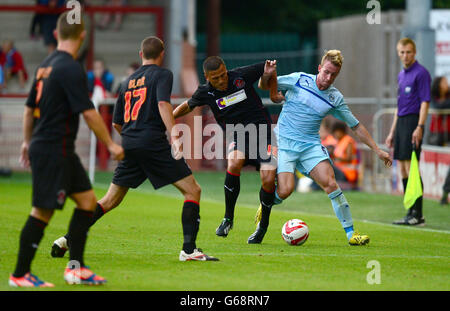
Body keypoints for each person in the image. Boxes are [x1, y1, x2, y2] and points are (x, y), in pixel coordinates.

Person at [50, 36, 219, 262]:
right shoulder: (162, 74)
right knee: (193, 191)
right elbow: (162, 104)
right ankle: (189, 250)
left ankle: (67, 239)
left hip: (129, 143)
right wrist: (175, 135)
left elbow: (117, 123)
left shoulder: (126, 82)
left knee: (109, 200)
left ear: (141, 55)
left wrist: (133, 140)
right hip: (152, 143)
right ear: (162, 54)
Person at [9, 12, 124, 288]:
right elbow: (89, 112)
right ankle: (20, 274)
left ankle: (76, 269)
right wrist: (111, 144)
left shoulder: (44, 66)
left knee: (87, 202)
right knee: (42, 212)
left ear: (57, 34)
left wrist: (27, 141)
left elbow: (28, 110)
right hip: (53, 149)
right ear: (82, 36)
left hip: (54, 148)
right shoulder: (70, 68)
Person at [261, 49, 392, 246]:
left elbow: (356, 126)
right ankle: (266, 204)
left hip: (310, 146)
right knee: (286, 190)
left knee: (331, 183)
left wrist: (377, 149)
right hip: (284, 143)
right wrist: (267, 74)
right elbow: (265, 86)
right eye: (327, 72)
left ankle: (351, 234)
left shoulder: (335, 98)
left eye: (334, 75)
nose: (329, 78)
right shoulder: (298, 79)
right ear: (319, 68)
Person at [172, 56, 278, 244]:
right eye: (215, 78)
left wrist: (271, 81)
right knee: (234, 162)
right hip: (237, 135)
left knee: (268, 179)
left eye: (223, 75)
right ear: (206, 76)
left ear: (226, 69)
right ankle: (228, 218)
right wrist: (167, 118)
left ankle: (262, 226)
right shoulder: (204, 92)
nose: (221, 81)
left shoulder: (241, 76)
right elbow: (188, 105)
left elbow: (267, 68)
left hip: (264, 133)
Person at [385, 38, 431, 226]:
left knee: (412, 167)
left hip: (413, 122)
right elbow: (398, 106)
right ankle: (410, 211)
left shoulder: (421, 74)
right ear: (398, 53)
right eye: (402, 52)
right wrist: (391, 131)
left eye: (409, 52)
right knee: (403, 168)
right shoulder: (401, 75)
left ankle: (418, 214)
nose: (405, 55)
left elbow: (425, 102)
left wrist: (419, 127)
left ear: (415, 53)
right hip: (402, 123)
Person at [331, 120, 359, 186]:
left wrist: (334, 157)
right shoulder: (339, 142)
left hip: (347, 174)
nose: (335, 134)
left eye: (336, 132)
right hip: (341, 172)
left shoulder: (348, 141)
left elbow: (348, 159)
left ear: (341, 131)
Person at [428, 76, 450, 146]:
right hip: (435, 131)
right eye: (444, 82)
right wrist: (445, 104)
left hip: (448, 130)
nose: (447, 84)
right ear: (439, 85)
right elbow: (437, 107)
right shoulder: (433, 95)